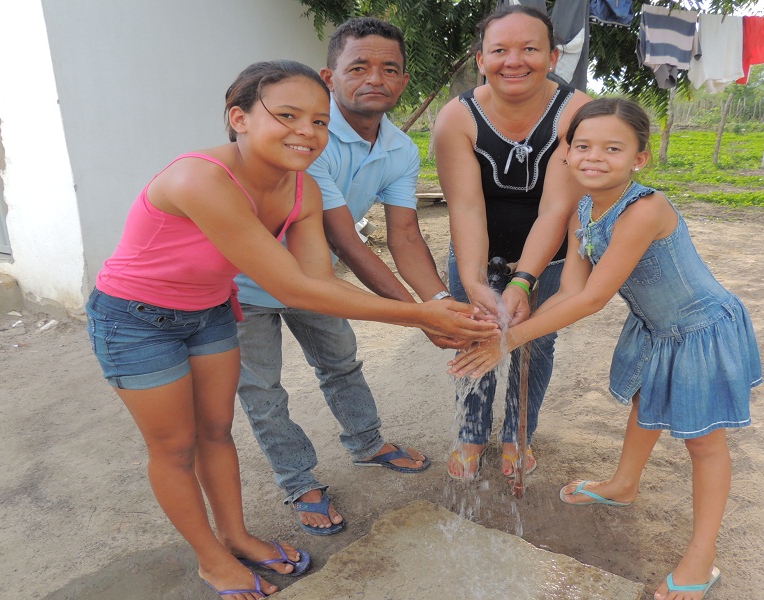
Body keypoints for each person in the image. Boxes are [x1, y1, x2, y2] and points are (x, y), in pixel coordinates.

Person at [85, 60, 496, 599]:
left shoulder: (301, 188)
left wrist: (429, 309)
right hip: (136, 320)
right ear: (239, 118)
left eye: (320, 121)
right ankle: (212, 559)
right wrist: (420, 314)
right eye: (287, 115)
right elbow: (292, 288)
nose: (307, 131)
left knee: (216, 431)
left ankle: (235, 535)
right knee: (175, 446)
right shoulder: (200, 179)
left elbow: (317, 282)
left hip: (210, 309)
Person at [449, 97, 762, 600]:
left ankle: (702, 560)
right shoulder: (583, 209)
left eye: (613, 148)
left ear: (640, 158)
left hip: (699, 329)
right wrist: (516, 312)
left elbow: (593, 298)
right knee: (646, 400)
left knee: (704, 444)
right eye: (583, 146)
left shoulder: (645, 210)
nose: (594, 157)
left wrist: (507, 341)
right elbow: (570, 290)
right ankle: (623, 484)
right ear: (567, 154)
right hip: (655, 326)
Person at [233, 18, 460, 537]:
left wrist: (441, 301)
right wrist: (421, 317)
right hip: (244, 284)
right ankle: (299, 481)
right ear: (329, 77)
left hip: (316, 277)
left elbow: (405, 235)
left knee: (340, 362)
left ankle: (366, 443)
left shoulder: (400, 149)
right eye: (358, 67)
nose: (375, 78)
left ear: (404, 81)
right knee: (263, 391)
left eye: (389, 69)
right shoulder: (307, 137)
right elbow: (346, 240)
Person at [434, 4, 591, 479]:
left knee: (534, 344)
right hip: (477, 247)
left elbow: (556, 209)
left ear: (553, 56)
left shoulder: (576, 112)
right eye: (500, 50)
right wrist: (472, 279)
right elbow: (465, 207)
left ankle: (519, 435)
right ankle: (470, 434)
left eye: (530, 49)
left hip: (552, 253)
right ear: (481, 59)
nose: (514, 61)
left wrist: (524, 280)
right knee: (475, 335)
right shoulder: (457, 118)